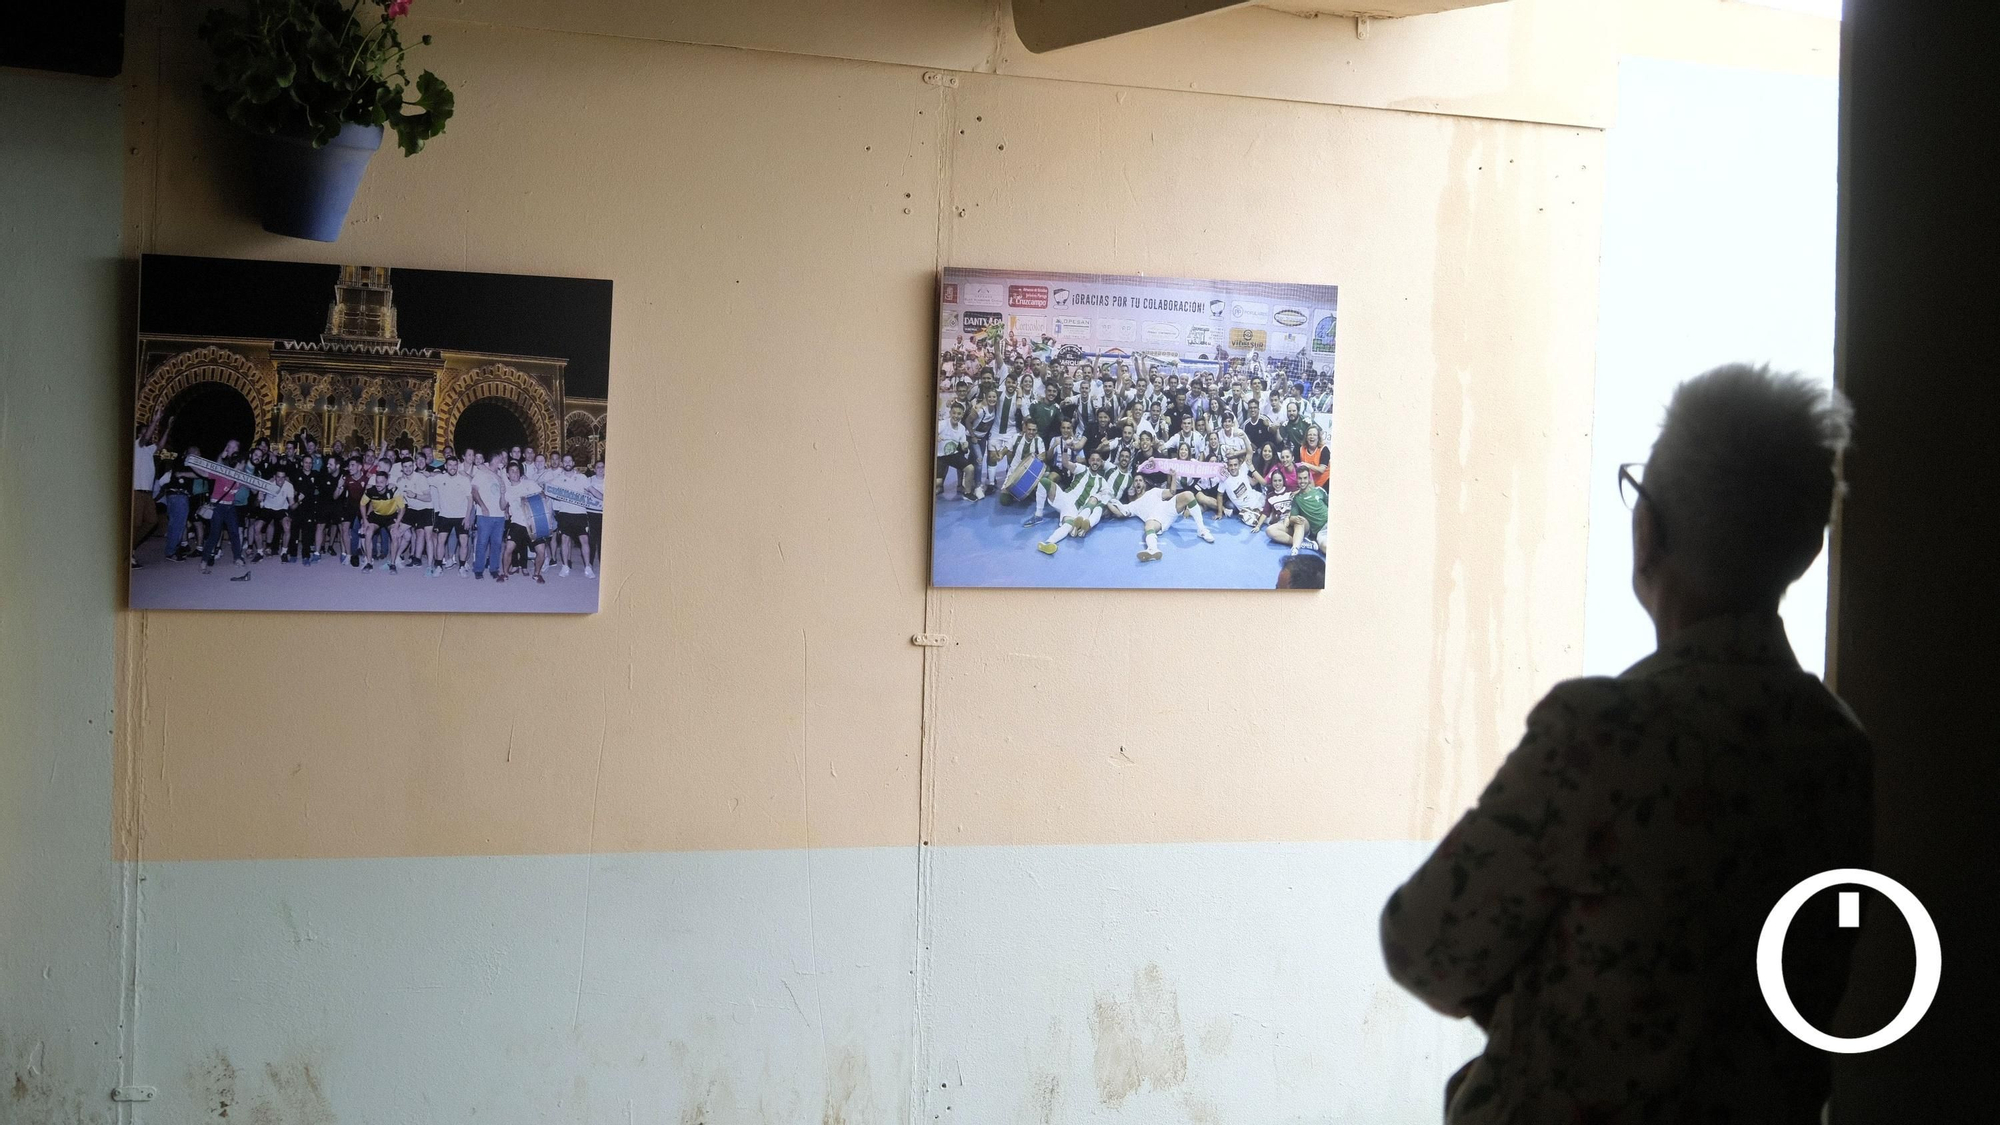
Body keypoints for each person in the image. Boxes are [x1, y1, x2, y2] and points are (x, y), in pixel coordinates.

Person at [1379, 365, 1869, 1124]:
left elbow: (1423, 947)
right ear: (1805, 549)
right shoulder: (1839, 750)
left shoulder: (1603, 734)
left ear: (1648, 530)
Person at [1105, 483, 1213, 563]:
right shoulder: (1133, 505)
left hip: (1167, 509)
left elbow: (1171, 492)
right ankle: (1152, 549)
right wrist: (1106, 501)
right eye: (1136, 481)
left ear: (1144, 484)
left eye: (1140, 480)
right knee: (1148, 526)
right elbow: (1119, 513)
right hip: (1155, 519)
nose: (1138, 482)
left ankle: (1201, 530)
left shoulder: (1153, 491)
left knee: (1188, 495)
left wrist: (1173, 475)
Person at [193, 439, 251, 580]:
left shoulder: (241, 477)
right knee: (214, 534)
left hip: (230, 507)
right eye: (243, 463)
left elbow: (253, 487)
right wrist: (191, 463)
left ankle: (237, 557)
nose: (245, 466)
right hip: (218, 507)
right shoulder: (222, 472)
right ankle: (204, 562)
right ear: (239, 463)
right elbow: (205, 473)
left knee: (235, 533)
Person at [131, 407, 170, 567]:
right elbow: (146, 436)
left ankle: (130, 547)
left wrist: (168, 427)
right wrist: (156, 420)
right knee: (136, 524)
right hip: (137, 492)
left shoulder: (147, 450)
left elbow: (160, 445)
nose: (150, 434)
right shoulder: (136, 446)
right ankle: (130, 553)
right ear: (140, 435)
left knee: (152, 521)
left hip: (147, 494)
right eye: (146, 432)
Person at [502, 460, 552, 583]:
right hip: (517, 524)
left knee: (541, 551)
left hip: (534, 523)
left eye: (517, 470)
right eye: (512, 471)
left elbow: (542, 496)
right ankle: (504, 574)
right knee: (508, 549)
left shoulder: (529, 483)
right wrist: (502, 493)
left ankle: (537, 574)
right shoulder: (508, 490)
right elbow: (503, 506)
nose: (515, 473)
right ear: (508, 475)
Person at [429, 455, 473, 576]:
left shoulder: (464, 480)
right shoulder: (439, 478)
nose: (452, 468)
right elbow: (425, 477)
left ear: (457, 466)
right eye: (450, 465)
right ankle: (438, 566)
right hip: (445, 515)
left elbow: (470, 499)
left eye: (455, 465)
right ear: (445, 466)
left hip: (461, 516)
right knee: (440, 541)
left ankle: (462, 567)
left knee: (464, 541)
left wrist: (467, 517)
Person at [1266, 470, 1328, 555]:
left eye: (1305, 478)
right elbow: (1292, 517)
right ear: (1296, 479)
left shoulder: (1319, 491)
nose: (1302, 481)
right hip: (1314, 530)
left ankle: (1297, 544)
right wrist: (1290, 518)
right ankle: (1298, 545)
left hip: (1330, 524)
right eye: (1300, 478)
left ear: (1309, 478)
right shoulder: (1295, 498)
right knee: (1270, 530)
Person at [468, 451, 509, 580]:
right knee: (482, 542)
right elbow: (474, 491)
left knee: (497, 543)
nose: (501, 461)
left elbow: (506, 494)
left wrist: (506, 510)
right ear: (493, 460)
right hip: (485, 515)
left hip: (499, 515)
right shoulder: (481, 474)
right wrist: (483, 506)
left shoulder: (502, 474)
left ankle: (494, 568)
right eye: (499, 459)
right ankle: (479, 569)